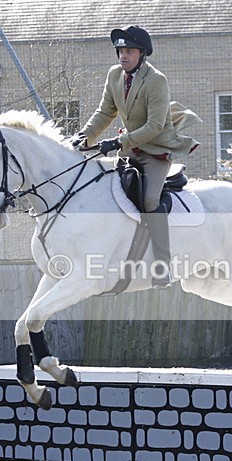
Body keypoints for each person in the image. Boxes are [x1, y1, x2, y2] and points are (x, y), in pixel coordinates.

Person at [71, 25, 200, 287]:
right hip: (129, 149)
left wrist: (118, 141)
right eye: (120, 51)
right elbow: (105, 112)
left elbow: (153, 126)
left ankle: (162, 266)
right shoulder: (114, 75)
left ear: (142, 54)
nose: (123, 56)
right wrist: (85, 136)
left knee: (150, 200)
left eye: (129, 51)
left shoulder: (156, 80)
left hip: (155, 150)